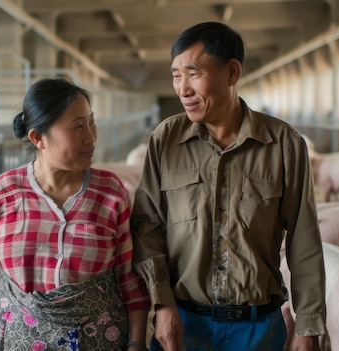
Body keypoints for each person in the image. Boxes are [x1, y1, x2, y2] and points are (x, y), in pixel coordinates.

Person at [130, 22, 327, 351]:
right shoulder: (165, 140)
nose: (182, 88)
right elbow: (146, 225)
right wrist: (162, 306)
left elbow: (303, 237)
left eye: (193, 74)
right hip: (184, 321)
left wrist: (307, 324)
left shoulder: (284, 144)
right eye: (176, 75)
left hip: (257, 328)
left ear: (232, 72)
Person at [0, 78, 150, 351]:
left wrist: (137, 342)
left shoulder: (110, 193)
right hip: (13, 341)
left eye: (91, 122)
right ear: (37, 138)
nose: (90, 137)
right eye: (78, 126)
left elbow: (128, 276)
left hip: (99, 340)